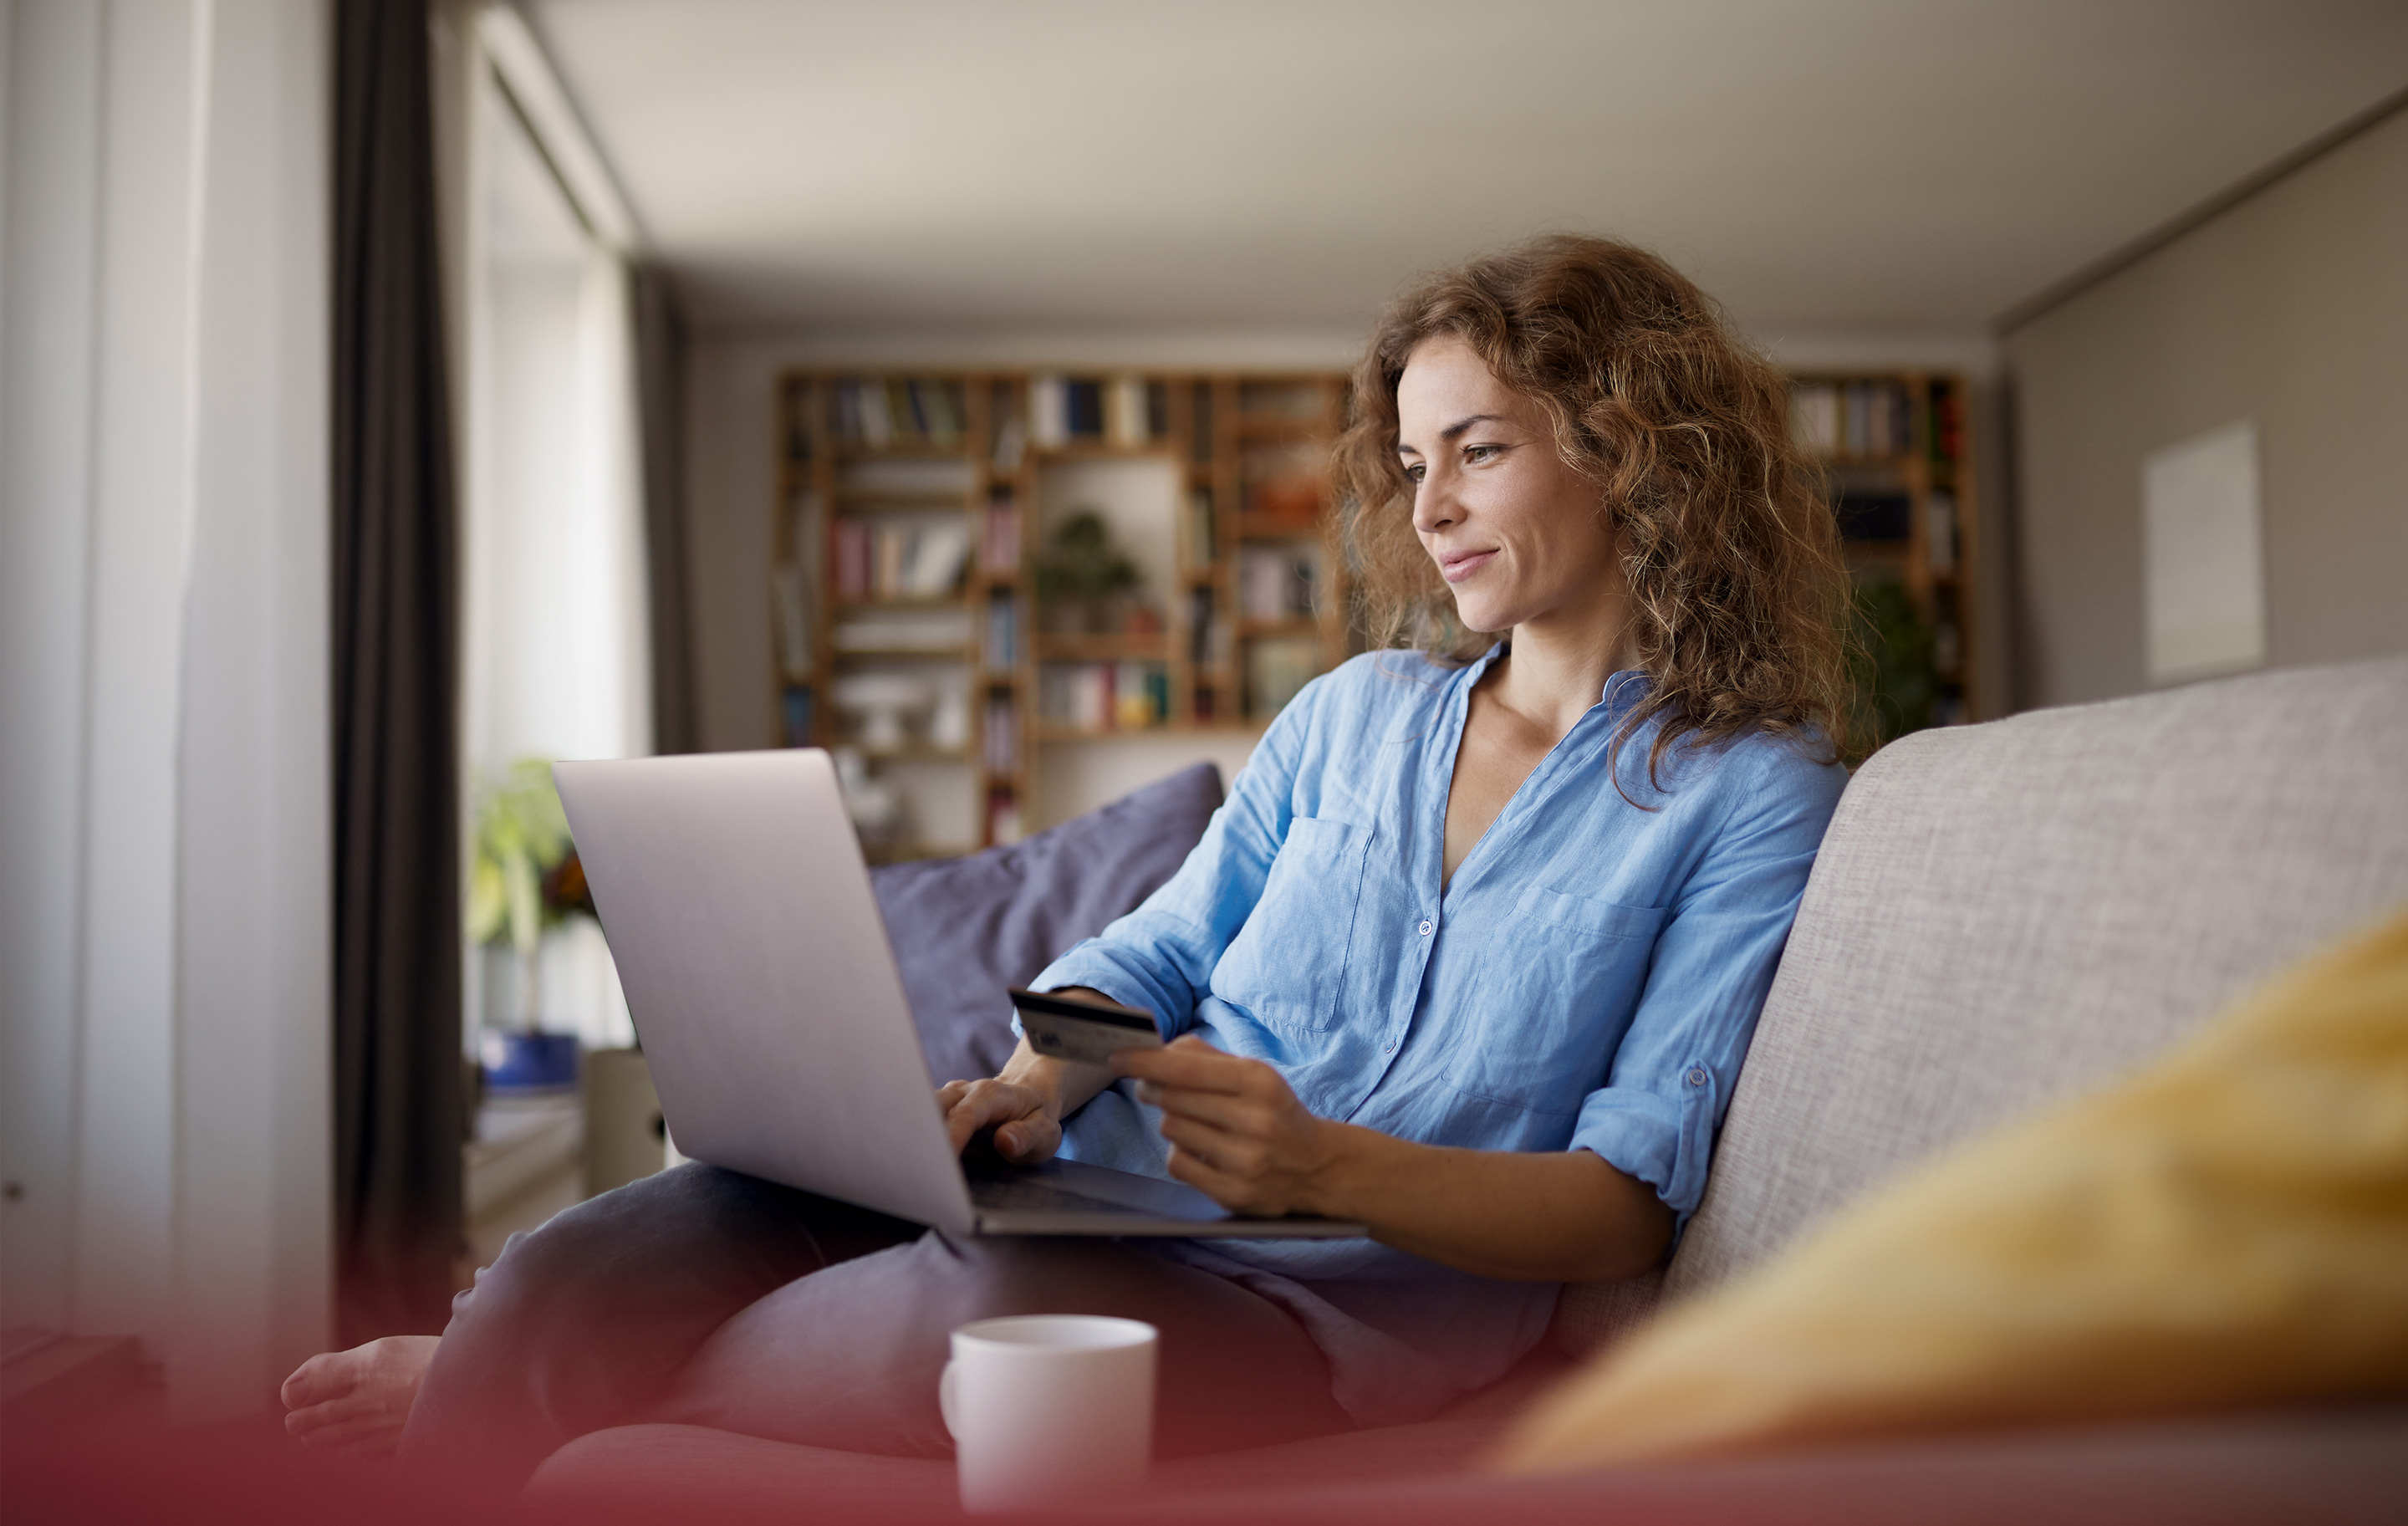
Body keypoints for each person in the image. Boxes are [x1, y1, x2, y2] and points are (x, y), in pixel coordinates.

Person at [283, 233, 1854, 1485]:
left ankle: (488, 1385)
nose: (1427, 505)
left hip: (1327, 1318)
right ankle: (522, 1356)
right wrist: (1038, 1085)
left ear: (1628, 448)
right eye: (1411, 458)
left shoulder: (1748, 794)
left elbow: (1626, 1203)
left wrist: (1327, 1168)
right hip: (1093, 1197)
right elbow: (1154, 953)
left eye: (1479, 450)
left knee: (962, 1322)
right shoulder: (1353, 716)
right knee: (588, 1251)